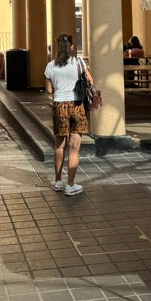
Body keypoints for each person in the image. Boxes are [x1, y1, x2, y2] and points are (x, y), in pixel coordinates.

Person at [43, 33, 92, 197]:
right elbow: (90, 81)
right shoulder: (79, 62)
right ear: (71, 47)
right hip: (77, 105)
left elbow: (49, 90)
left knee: (59, 145)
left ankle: (57, 181)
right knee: (74, 147)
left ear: (58, 47)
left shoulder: (50, 66)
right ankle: (70, 184)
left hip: (59, 105)